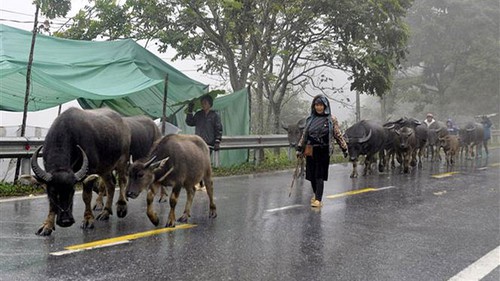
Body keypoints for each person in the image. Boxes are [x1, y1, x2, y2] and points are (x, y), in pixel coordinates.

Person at [296, 95, 348, 208]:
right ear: (313, 106)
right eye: (316, 105)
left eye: (321, 105)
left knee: (319, 175)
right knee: (311, 175)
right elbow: (305, 135)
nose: (318, 107)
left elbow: (337, 135)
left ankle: (319, 200)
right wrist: (300, 148)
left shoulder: (331, 120)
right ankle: (316, 195)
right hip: (310, 150)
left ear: (325, 106)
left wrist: (344, 148)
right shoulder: (310, 119)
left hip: (323, 150)